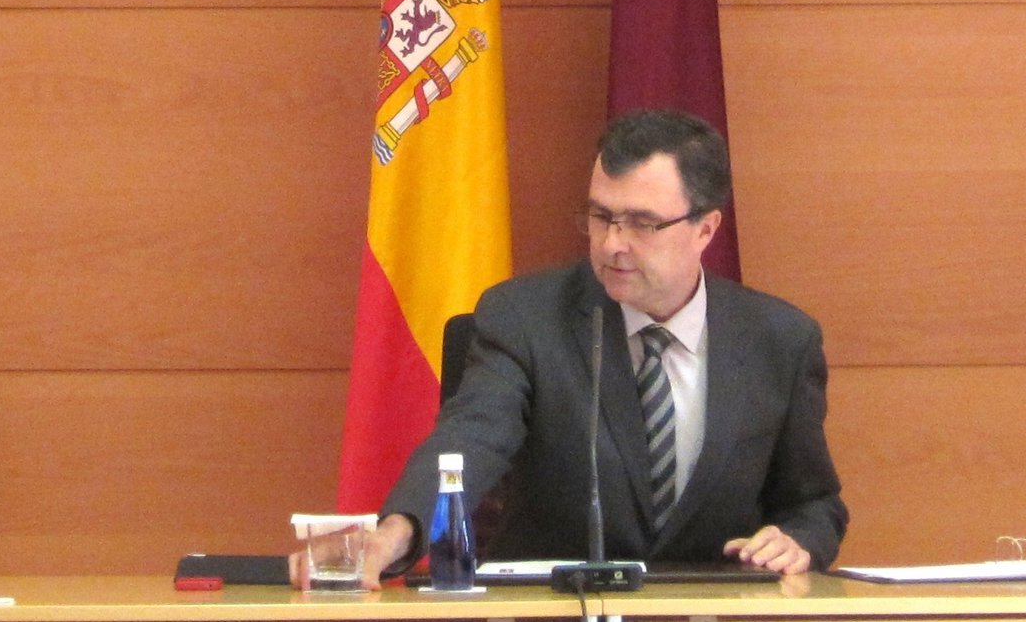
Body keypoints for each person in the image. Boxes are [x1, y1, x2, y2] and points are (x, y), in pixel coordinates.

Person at [290, 109, 847, 588]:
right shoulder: (525, 319)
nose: (612, 244)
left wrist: (798, 539)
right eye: (601, 216)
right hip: (554, 610)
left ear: (706, 228)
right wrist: (396, 533)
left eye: (642, 224)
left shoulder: (780, 340)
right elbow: (472, 436)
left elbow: (813, 502)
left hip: (707, 612)